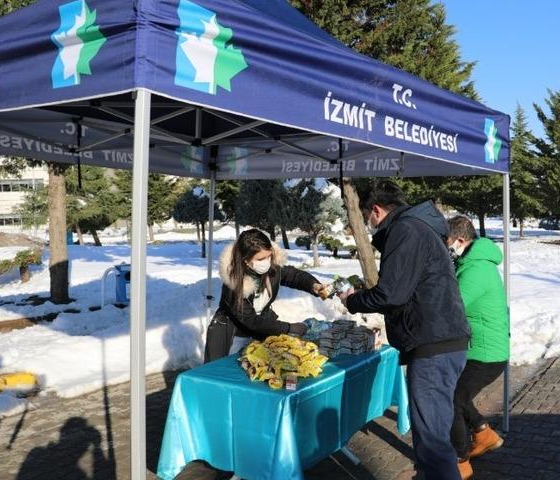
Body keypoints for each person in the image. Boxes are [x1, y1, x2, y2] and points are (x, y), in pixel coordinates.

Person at [339, 181, 470, 480]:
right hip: (439, 341)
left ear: (376, 210)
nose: (369, 226)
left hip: (434, 344)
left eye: (367, 218)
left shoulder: (406, 230)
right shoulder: (419, 228)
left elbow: (391, 294)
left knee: (433, 443)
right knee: (432, 436)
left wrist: (353, 300)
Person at [446, 216, 509, 479]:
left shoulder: (477, 269)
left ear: (460, 240)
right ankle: (484, 433)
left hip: (486, 352)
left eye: (447, 243)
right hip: (480, 348)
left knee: (452, 400)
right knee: (457, 395)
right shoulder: (470, 263)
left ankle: (460, 462)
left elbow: (452, 305)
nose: (446, 248)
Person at [204, 229, 328, 362]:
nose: (267, 261)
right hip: (232, 334)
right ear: (246, 260)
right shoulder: (233, 285)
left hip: (260, 330)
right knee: (228, 372)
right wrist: (289, 328)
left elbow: (293, 276)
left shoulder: (271, 267)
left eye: (269, 256)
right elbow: (251, 321)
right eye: (261, 259)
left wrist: (313, 285)